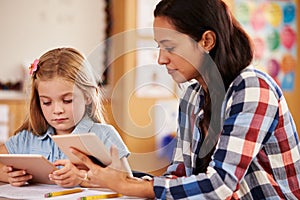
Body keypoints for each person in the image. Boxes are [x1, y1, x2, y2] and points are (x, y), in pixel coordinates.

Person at [71, 0, 300, 199]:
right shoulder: (192, 97)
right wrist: (119, 177)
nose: (161, 59)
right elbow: (180, 176)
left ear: (207, 41)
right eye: (159, 47)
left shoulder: (252, 88)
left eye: (169, 47)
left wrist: (128, 185)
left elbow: (220, 185)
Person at [0, 47, 131, 188]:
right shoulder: (27, 138)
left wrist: (83, 178)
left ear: (88, 96)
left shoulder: (104, 135)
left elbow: (127, 181)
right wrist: (7, 175)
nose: (57, 110)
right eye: (47, 102)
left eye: (67, 100)